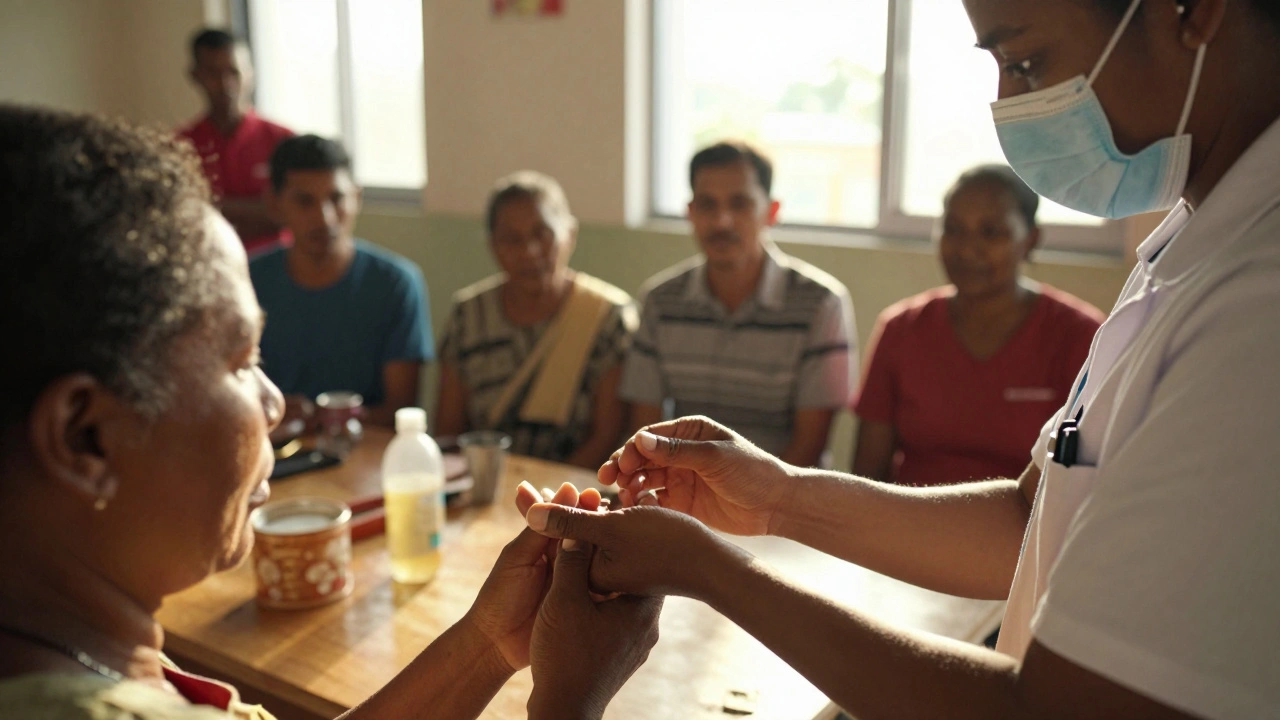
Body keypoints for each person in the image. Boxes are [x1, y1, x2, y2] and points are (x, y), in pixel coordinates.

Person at [524, 0, 1280, 717]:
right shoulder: (1190, 245)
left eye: (1024, 60)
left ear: (1193, 10)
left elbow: (1055, 709)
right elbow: (1029, 523)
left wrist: (709, 569)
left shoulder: (1258, 307)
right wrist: (778, 496)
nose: (1011, 103)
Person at [0, 104, 660, 720]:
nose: (270, 403)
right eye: (239, 361)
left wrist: (489, 641)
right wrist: (570, 696)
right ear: (85, 437)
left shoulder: (70, 648)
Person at [853, 165, 1104, 486]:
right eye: (953, 229)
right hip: (910, 528)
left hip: (1031, 533)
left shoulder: (1081, 336)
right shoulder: (901, 329)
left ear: (1030, 239)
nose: (967, 249)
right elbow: (865, 477)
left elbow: (1088, 482)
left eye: (991, 232)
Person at [620, 142, 856, 467]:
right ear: (690, 212)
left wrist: (743, 509)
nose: (722, 221)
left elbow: (809, 448)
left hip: (786, 501)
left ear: (771, 212)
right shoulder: (660, 302)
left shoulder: (820, 305)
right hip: (684, 494)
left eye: (739, 204)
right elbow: (646, 435)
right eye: (707, 204)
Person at [435, 171, 635, 468]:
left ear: (570, 235)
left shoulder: (607, 318)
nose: (529, 252)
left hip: (575, 496)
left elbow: (607, 438)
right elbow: (450, 433)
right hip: (482, 488)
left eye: (542, 234)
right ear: (493, 246)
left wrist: (553, 500)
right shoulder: (469, 316)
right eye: (511, 239)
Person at [251, 135, 432, 428]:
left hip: (368, 458)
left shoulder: (395, 285)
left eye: (336, 199)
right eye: (304, 201)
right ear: (274, 204)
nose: (324, 218)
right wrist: (275, 415)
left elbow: (402, 414)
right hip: (273, 456)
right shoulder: (246, 284)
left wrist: (330, 421)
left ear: (357, 198)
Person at [179, 29, 293, 255]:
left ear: (250, 73)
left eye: (233, 72)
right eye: (213, 73)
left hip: (277, 269)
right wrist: (261, 211)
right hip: (208, 269)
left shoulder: (283, 141)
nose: (225, 84)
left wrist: (216, 208)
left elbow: (293, 212)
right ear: (195, 76)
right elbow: (182, 215)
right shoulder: (179, 145)